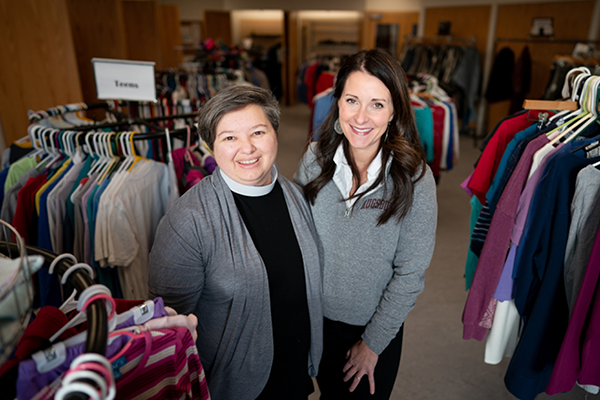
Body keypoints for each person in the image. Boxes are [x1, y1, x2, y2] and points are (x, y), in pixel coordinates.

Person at [148, 85, 323, 400]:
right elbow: (171, 327)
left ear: (275, 133)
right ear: (211, 146)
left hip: (294, 370)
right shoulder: (187, 221)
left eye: (258, 132)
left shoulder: (295, 195)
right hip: (236, 386)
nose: (248, 149)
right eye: (229, 137)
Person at [294, 48, 438, 399]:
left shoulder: (414, 178)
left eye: (377, 104)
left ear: (393, 111)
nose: (361, 117)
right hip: (308, 321)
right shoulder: (314, 158)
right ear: (337, 104)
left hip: (370, 330)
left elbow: (410, 272)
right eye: (352, 100)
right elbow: (294, 240)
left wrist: (372, 344)